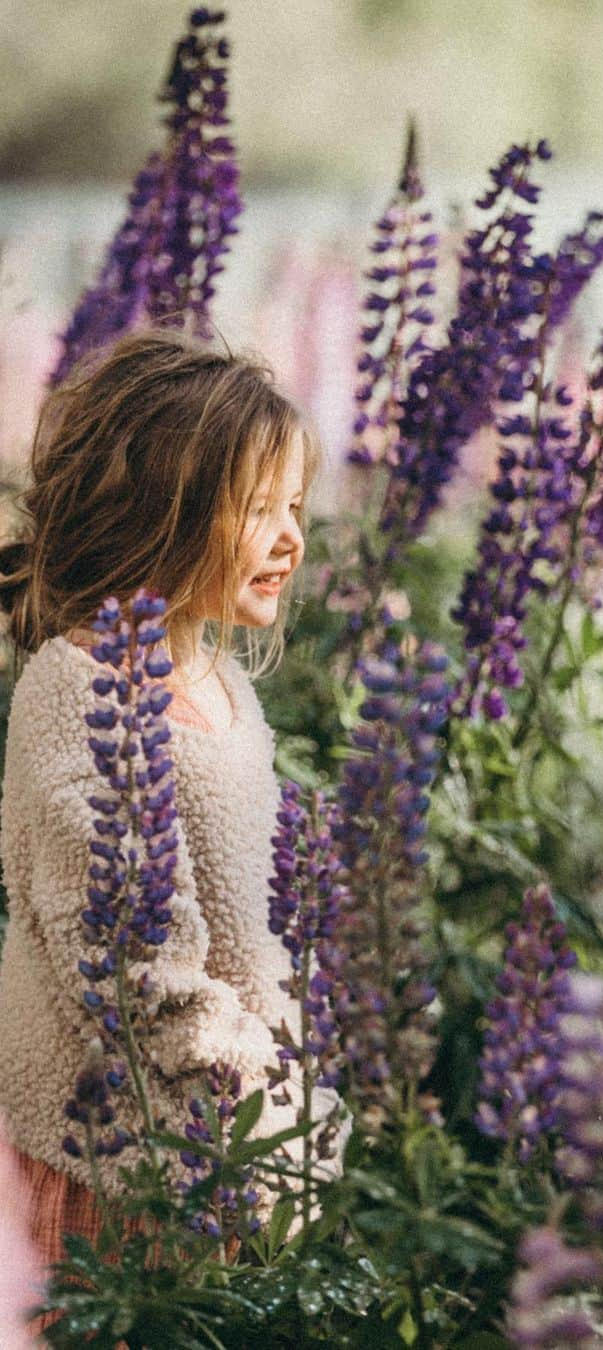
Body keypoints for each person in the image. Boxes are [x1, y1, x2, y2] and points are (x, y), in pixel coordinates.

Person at [0, 328, 343, 1313]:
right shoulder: (83, 690)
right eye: (258, 510)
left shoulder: (222, 683)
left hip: (227, 1141)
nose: (292, 539)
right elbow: (123, 961)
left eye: (297, 509)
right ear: (166, 518)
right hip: (118, 1160)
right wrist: (257, 1096)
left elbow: (255, 932)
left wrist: (294, 1089)